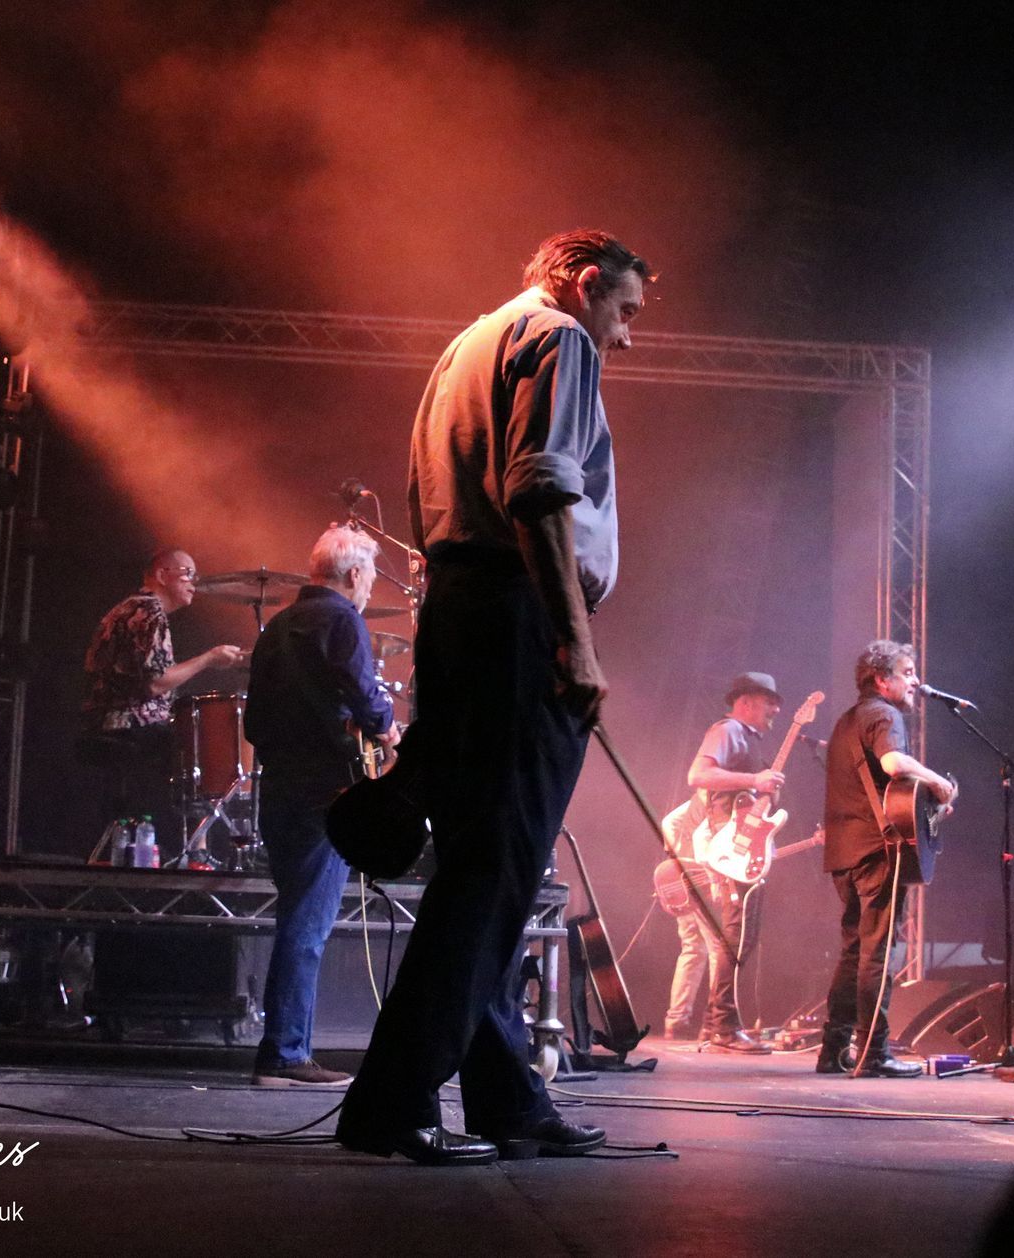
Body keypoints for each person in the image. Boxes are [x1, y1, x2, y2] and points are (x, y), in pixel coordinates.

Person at [334, 229, 650, 1166]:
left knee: (488, 865)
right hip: (515, 613)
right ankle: (392, 1102)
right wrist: (573, 640)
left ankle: (508, 1096)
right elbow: (540, 491)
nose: (627, 335)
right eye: (625, 309)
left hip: (461, 609)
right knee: (496, 871)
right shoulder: (561, 338)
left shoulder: (470, 343)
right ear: (584, 284)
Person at [243, 525, 397, 1086]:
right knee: (307, 924)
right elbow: (364, 693)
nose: (370, 587)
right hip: (326, 790)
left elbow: (254, 722)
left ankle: (287, 1048)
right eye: (370, 576)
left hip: (278, 786)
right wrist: (387, 730)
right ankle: (284, 1054)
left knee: (295, 915)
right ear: (353, 574)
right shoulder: (343, 620)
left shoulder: (277, 626)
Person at [818, 640, 954, 1078]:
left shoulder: (847, 720)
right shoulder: (884, 714)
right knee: (877, 952)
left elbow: (877, 788)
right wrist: (936, 782)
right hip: (876, 851)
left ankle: (834, 1049)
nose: (915, 681)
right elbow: (894, 763)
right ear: (881, 679)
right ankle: (873, 1053)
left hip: (844, 849)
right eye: (907, 672)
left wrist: (922, 805)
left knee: (853, 951)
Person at [79, 549, 245, 841]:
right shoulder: (149, 612)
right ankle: (193, 849)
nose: (194, 583)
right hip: (128, 725)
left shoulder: (132, 608)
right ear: (161, 575)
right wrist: (209, 658)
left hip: (105, 721)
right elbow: (156, 684)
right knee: (197, 758)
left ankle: (179, 845)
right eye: (187, 574)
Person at [664, 672, 786, 1052]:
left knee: (740, 939)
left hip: (743, 850)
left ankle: (715, 1024)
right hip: (731, 852)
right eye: (769, 701)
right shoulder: (728, 730)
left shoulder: (749, 741)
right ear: (745, 702)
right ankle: (724, 1029)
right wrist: (754, 779)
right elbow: (698, 774)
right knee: (733, 939)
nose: (775, 709)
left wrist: (764, 793)